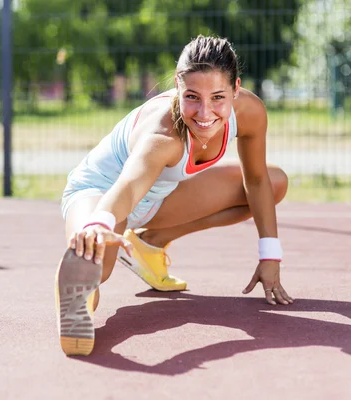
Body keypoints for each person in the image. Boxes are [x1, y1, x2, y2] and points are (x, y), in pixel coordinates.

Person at [55, 35, 293, 357]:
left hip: (157, 201)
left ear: (236, 89)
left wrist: (270, 254)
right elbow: (127, 187)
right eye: (192, 97)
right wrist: (99, 222)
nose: (205, 112)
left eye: (218, 97)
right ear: (177, 87)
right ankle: (80, 301)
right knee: (93, 257)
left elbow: (256, 178)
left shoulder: (249, 112)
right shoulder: (162, 134)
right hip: (101, 193)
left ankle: (149, 242)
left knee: (274, 181)